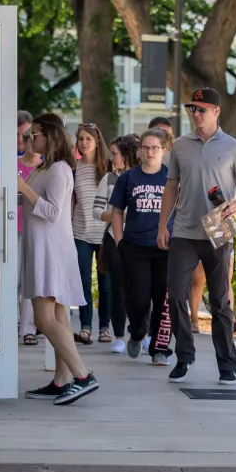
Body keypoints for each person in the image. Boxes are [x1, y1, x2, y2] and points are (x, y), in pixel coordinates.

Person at [158, 88, 236, 385]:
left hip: (218, 229)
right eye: (192, 109)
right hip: (185, 231)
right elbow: (171, 186)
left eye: (201, 109)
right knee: (175, 295)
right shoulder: (180, 146)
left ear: (216, 112)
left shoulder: (233, 147)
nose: (195, 114)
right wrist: (163, 225)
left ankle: (227, 365)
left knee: (220, 300)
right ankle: (184, 357)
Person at [19, 113, 100, 405]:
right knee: (58, 316)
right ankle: (62, 380)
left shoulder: (59, 171)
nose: (30, 140)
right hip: (44, 247)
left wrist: (24, 190)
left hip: (50, 251)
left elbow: (53, 212)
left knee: (43, 318)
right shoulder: (45, 169)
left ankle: (82, 376)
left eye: (34, 135)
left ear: (49, 136)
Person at [112, 129, 176, 366]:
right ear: (140, 151)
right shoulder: (128, 178)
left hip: (164, 248)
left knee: (162, 300)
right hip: (135, 246)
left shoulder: (171, 178)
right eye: (146, 148)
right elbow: (117, 211)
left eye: (155, 148)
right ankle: (138, 333)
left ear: (164, 150)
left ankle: (160, 349)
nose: (150, 152)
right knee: (137, 299)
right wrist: (119, 241)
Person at [0, 113, 43, 345]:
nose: (27, 142)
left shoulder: (45, 166)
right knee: (11, 278)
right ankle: (10, 324)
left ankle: (28, 328)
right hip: (10, 229)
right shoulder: (9, 163)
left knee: (31, 281)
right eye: (25, 138)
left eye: (30, 137)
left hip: (35, 230)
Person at [93, 135, 138, 354]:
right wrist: (116, 216)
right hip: (114, 239)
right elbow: (96, 210)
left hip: (140, 239)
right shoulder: (108, 179)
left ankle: (142, 334)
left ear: (128, 154)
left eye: (115, 154)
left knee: (141, 289)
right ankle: (119, 336)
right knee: (117, 288)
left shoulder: (143, 177)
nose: (112, 159)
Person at [72, 122, 112, 345]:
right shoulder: (73, 168)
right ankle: (85, 327)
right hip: (80, 231)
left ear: (97, 142)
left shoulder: (107, 168)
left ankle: (104, 327)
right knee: (83, 282)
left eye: (88, 139)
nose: (84, 143)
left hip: (104, 233)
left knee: (106, 284)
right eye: (81, 139)